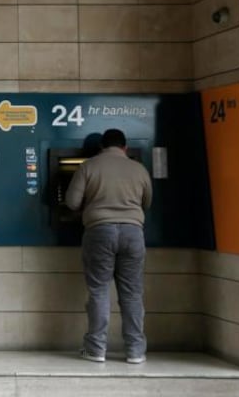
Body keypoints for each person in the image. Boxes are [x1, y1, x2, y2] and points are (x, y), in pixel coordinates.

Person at [65, 128, 152, 365]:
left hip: (99, 230)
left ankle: (96, 349)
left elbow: (72, 202)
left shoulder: (89, 166)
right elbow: (148, 201)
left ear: (102, 147)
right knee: (132, 293)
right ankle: (135, 351)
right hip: (133, 232)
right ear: (125, 147)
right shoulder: (139, 169)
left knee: (99, 290)